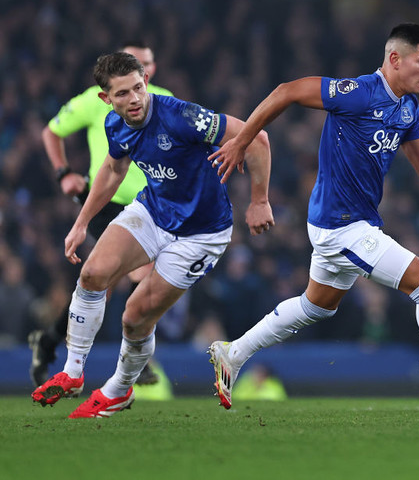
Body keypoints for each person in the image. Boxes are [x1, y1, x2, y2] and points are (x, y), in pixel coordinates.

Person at [206, 23, 419, 410]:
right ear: (394, 59)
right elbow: (286, 92)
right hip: (341, 224)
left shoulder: (407, 109)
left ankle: (232, 353)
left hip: (352, 222)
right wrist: (242, 139)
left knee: (315, 306)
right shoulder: (356, 93)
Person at [31, 51, 273, 418]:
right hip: (154, 211)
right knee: (93, 274)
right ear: (106, 99)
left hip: (202, 232)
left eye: (138, 88)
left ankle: (118, 389)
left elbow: (258, 139)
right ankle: (73, 373)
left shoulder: (183, 116)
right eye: (123, 93)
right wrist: (81, 223)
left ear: (146, 83)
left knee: (135, 315)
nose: (135, 99)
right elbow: (113, 169)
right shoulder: (116, 125)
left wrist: (259, 200)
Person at [31, 41, 173, 388]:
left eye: (147, 64)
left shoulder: (163, 100)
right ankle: (135, 360)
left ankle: (49, 341)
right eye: (136, 62)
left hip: (152, 205)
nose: (144, 68)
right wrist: (64, 173)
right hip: (105, 202)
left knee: (102, 284)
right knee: (141, 272)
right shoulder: (100, 101)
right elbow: (52, 131)